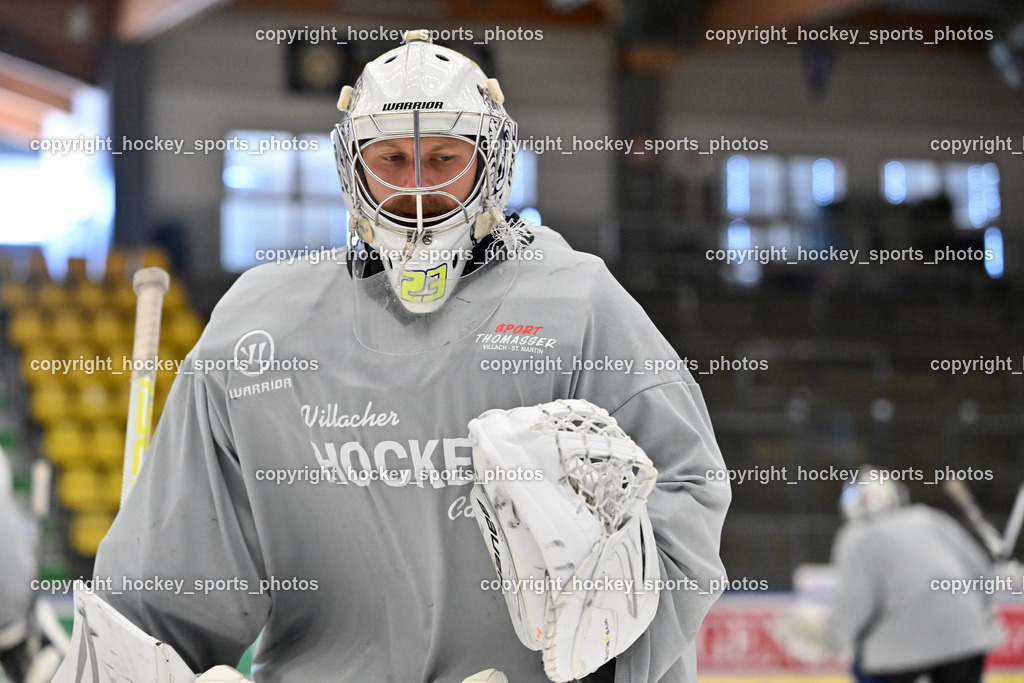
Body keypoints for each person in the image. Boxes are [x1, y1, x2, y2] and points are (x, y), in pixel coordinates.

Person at [57, 30, 730, 682]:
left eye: (443, 159)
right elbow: (169, 585)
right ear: (354, 169)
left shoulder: (580, 306)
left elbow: (686, 491)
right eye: (391, 161)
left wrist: (600, 641)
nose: (416, 190)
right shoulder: (255, 331)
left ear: (489, 161)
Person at [825, 465, 1003, 683]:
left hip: (896, 652)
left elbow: (854, 605)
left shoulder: (855, 538)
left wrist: (832, 638)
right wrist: (979, 620)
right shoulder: (929, 519)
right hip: (965, 640)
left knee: (867, 668)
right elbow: (980, 574)